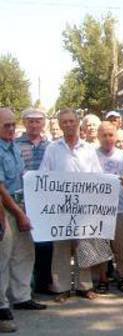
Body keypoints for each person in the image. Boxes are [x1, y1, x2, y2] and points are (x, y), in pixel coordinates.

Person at [39, 108, 107, 303]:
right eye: (64, 122)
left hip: (84, 207)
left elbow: (97, 175)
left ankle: (84, 286)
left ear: (78, 123)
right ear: (60, 125)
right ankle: (61, 287)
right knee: (60, 247)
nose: (68, 125)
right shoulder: (52, 148)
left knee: (84, 244)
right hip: (61, 207)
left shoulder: (88, 149)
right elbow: (44, 175)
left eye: (71, 121)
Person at [0, 108, 46, 334]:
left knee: (25, 253)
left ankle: (21, 296)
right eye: (5, 125)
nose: (10, 129)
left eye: (11, 125)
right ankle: (1, 308)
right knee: (3, 258)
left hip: (21, 203)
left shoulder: (15, 148)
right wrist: (18, 213)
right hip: (5, 208)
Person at [15, 108, 51, 295]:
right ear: (25, 123)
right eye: (31, 121)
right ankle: (24, 285)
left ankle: (43, 282)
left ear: (43, 123)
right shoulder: (16, 144)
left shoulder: (51, 145)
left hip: (45, 202)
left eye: (38, 121)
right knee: (25, 245)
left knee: (45, 243)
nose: (34, 124)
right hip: (24, 201)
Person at [94, 122, 123, 294]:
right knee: (101, 245)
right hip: (99, 208)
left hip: (120, 207)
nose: (108, 138)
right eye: (104, 135)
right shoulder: (92, 155)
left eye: (111, 135)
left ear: (116, 136)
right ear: (98, 137)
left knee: (121, 246)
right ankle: (103, 279)